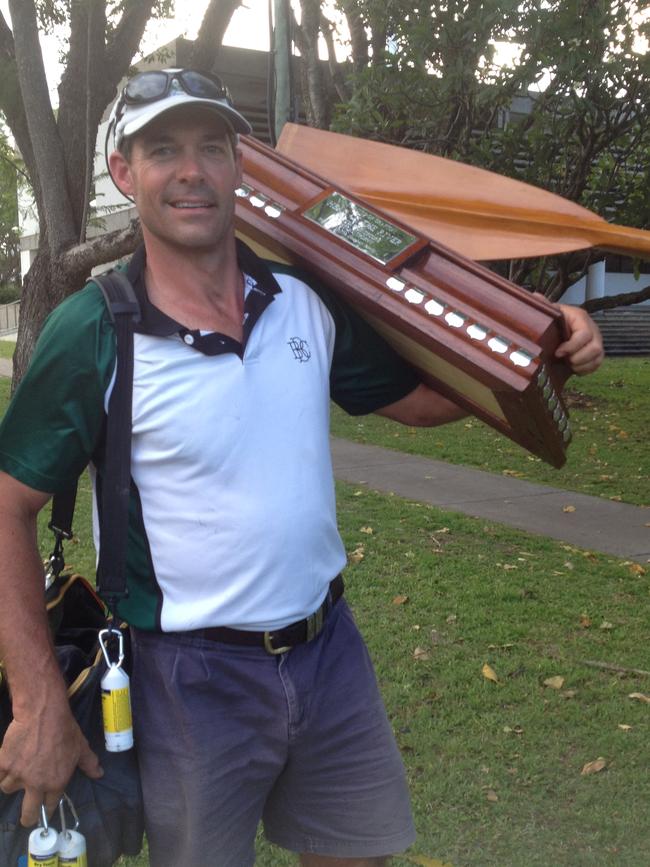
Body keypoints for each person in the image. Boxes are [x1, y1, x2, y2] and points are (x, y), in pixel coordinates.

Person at [0, 69, 604, 867]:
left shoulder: (299, 299)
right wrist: (39, 698)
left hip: (329, 651)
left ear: (238, 166)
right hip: (187, 677)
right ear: (125, 171)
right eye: (163, 150)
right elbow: (9, 506)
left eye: (212, 148)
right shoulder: (96, 331)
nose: (192, 171)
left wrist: (547, 346)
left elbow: (421, 400)